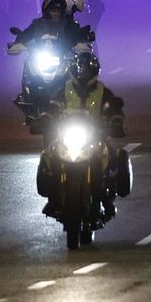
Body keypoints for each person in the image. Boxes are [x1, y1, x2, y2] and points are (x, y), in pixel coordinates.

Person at [50, 50, 129, 236]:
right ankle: (54, 197)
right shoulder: (63, 91)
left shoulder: (103, 92)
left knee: (112, 157)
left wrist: (116, 121)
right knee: (49, 157)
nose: (83, 74)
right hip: (68, 137)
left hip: (95, 138)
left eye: (87, 70)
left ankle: (106, 199)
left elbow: (115, 110)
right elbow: (51, 107)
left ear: (94, 71)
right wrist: (45, 118)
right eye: (80, 70)